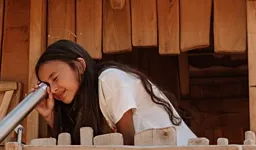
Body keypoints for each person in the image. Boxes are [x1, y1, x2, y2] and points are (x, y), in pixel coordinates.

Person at [33, 39, 196, 144]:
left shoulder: (109, 79)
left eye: (55, 78)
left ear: (80, 66)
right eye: (47, 84)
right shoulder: (90, 100)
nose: (53, 89)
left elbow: (128, 142)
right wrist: (50, 116)